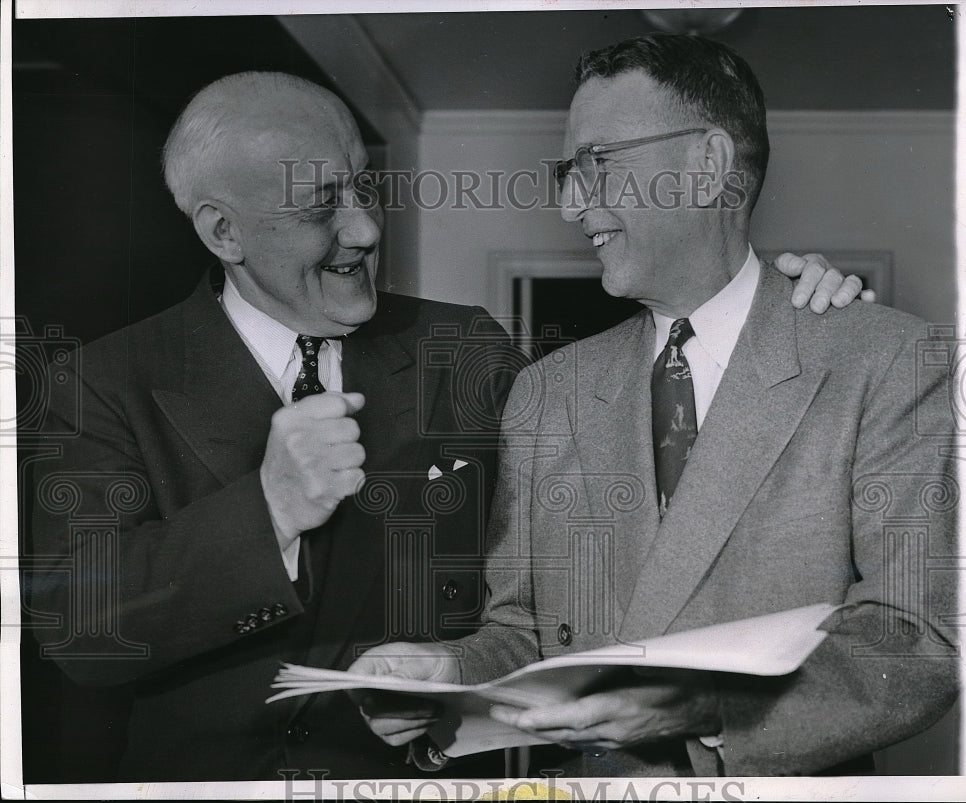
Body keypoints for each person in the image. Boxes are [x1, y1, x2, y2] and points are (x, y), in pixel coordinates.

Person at [25, 69, 866, 782]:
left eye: (364, 188)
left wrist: (778, 316)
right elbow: (78, 635)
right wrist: (269, 510)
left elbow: (635, 475)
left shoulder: (459, 347)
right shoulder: (99, 381)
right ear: (222, 230)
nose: (363, 227)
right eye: (323, 204)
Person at [351, 35, 959, 778]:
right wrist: (449, 672)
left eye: (596, 164)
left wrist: (709, 708)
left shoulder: (883, 358)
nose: (572, 205)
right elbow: (523, 630)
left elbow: (915, 640)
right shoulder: (548, 390)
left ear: (706, 166)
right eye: (567, 174)